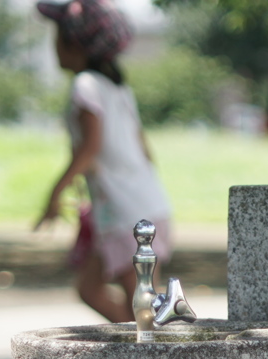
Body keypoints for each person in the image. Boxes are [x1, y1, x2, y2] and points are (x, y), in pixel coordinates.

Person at [35, 0, 171, 323]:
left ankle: (149, 358)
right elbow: (144, 149)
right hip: (143, 204)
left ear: (75, 43)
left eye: (58, 35)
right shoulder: (118, 88)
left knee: (142, 309)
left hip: (127, 213)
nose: (53, 44)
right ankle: (136, 352)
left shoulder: (86, 86)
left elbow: (89, 148)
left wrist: (54, 195)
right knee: (92, 288)